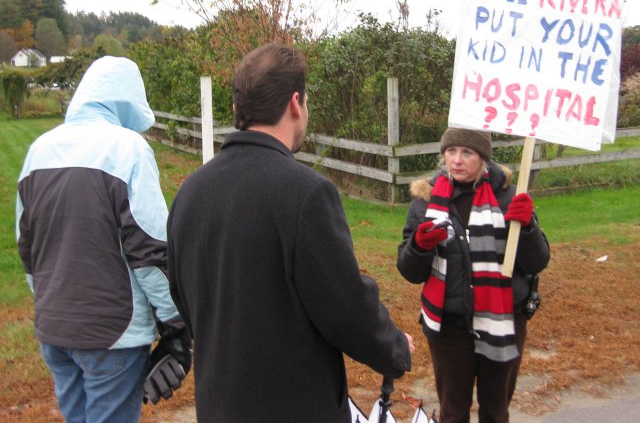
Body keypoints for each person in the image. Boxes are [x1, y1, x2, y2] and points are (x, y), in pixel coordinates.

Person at [167, 43, 414, 422]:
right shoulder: (305, 193)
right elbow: (344, 305)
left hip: (218, 406)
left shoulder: (190, 192)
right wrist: (395, 349)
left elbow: (183, 297)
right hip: (293, 406)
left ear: (237, 109)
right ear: (296, 104)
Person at [16, 56, 191, 422]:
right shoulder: (127, 148)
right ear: (127, 102)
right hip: (113, 333)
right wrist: (175, 325)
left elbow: (27, 249)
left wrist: (54, 303)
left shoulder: (38, 152)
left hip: (55, 328)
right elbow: (151, 250)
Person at [397, 127, 550, 423]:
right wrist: (419, 245)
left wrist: (528, 226)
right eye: (450, 151)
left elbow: (537, 261)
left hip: (503, 319)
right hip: (449, 326)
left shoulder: (509, 196)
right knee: (453, 412)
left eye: (467, 152)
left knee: (495, 411)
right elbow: (409, 271)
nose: (456, 160)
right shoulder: (425, 203)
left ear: (483, 158)